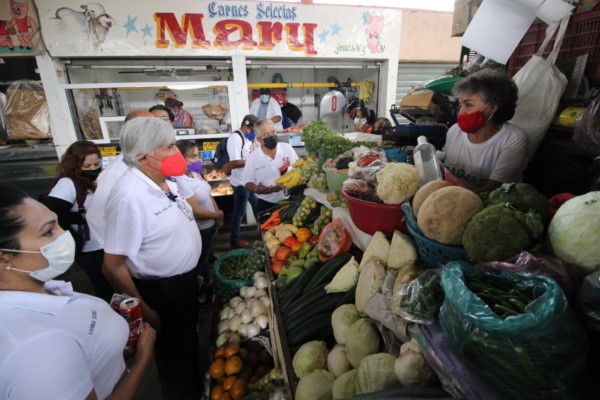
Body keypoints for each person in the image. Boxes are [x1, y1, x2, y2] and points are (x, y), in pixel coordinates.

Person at [0, 186, 156, 400]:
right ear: (4, 258)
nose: (65, 236)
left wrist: (109, 348)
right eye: (48, 232)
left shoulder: (41, 285)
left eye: (59, 225)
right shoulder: (35, 349)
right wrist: (143, 359)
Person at [102, 117, 201, 400]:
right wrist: (147, 311)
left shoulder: (163, 182)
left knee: (186, 349)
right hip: (161, 294)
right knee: (175, 362)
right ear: (145, 157)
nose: (177, 152)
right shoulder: (129, 197)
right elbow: (112, 266)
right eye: (169, 147)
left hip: (182, 286)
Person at [43, 141, 113, 303]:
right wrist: (81, 217)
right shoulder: (67, 184)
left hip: (107, 245)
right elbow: (49, 214)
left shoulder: (101, 179)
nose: (93, 169)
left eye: (97, 164)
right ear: (75, 165)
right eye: (87, 166)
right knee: (102, 292)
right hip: (89, 250)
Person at [442, 68, 528, 193]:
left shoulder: (513, 139)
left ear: (492, 107)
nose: (461, 112)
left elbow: (491, 191)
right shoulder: (455, 131)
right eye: (461, 105)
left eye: (469, 105)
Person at [86, 110, 156, 247]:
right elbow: (96, 217)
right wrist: (122, 254)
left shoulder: (148, 160)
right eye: (151, 127)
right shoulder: (118, 171)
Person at [175, 139, 224, 299]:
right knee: (200, 260)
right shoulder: (181, 181)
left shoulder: (195, 174)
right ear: (181, 159)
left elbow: (209, 194)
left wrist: (218, 213)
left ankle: (208, 283)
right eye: (193, 156)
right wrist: (216, 215)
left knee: (205, 257)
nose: (198, 160)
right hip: (200, 228)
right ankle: (199, 292)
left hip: (209, 224)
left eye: (198, 155)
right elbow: (194, 210)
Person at [243, 118, 298, 214]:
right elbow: (246, 182)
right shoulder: (253, 157)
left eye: (273, 132)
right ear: (259, 139)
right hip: (265, 204)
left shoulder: (287, 149)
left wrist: (282, 186)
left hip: (289, 200)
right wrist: (256, 189)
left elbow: (297, 170)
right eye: (267, 134)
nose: (271, 136)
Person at [222, 114, 259, 249]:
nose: (253, 133)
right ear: (245, 126)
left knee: (256, 206)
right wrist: (254, 162)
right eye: (252, 130)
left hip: (249, 180)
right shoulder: (235, 138)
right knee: (239, 211)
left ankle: (263, 231)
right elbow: (235, 162)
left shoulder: (246, 138)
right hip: (240, 182)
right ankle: (234, 241)